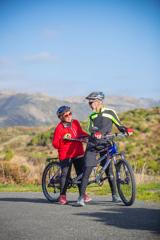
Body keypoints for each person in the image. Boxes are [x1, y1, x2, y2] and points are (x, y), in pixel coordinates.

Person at [77, 91, 131, 206]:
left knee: (109, 170)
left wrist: (126, 130)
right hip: (93, 145)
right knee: (88, 169)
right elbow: (90, 129)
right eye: (89, 102)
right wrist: (96, 133)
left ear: (98, 102)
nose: (89, 104)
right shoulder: (92, 116)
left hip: (106, 144)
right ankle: (81, 197)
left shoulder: (110, 112)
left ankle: (115, 195)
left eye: (91, 102)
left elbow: (119, 124)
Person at [52, 105, 91, 205]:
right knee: (65, 175)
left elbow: (80, 132)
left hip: (78, 152)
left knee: (81, 174)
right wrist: (63, 139)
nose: (69, 116)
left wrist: (90, 137)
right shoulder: (59, 128)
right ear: (61, 117)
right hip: (66, 155)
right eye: (66, 115)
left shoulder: (75, 122)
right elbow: (55, 144)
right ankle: (62, 195)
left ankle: (82, 194)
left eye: (70, 113)